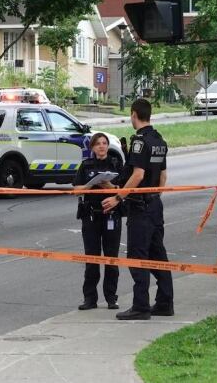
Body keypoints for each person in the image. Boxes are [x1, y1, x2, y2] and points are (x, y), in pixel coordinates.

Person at [101, 99, 173, 320]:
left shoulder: (140, 142)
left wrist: (117, 198)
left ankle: (141, 306)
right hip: (154, 205)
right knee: (158, 255)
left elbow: (138, 175)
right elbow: (162, 175)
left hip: (141, 208)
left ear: (134, 114)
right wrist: (155, 196)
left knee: (137, 255)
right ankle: (164, 303)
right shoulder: (159, 140)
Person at [72, 133, 123, 310]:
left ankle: (111, 297)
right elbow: (77, 190)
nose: (101, 146)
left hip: (111, 215)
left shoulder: (116, 164)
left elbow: (125, 189)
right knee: (92, 258)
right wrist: (90, 185)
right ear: (92, 147)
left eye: (104, 143)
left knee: (111, 258)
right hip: (91, 215)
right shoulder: (86, 166)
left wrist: (111, 187)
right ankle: (90, 298)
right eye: (98, 144)